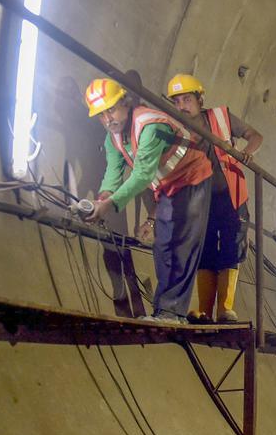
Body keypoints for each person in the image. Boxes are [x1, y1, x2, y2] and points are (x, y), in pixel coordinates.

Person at [84, 78, 213, 323]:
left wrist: (109, 206)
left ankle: (173, 312)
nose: (107, 119)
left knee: (182, 244)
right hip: (168, 187)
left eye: (111, 110)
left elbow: (142, 174)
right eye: (101, 114)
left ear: (125, 102)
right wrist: (103, 198)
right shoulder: (113, 137)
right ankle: (164, 311)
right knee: (163, 245)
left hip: (193, 178)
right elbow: (113, 172)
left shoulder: (149, 124)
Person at [166, 73, 263, 324]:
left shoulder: (220, 118)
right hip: (200, 197)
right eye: (177, 102)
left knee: (231, 245)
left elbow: (255, 135)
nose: (181, 107)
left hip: (231, 194)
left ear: (200, 99)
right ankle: (204, 311)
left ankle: (225, 309)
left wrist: (245, 153)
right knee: (205, 248)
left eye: (187, 99)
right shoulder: (176, 129)